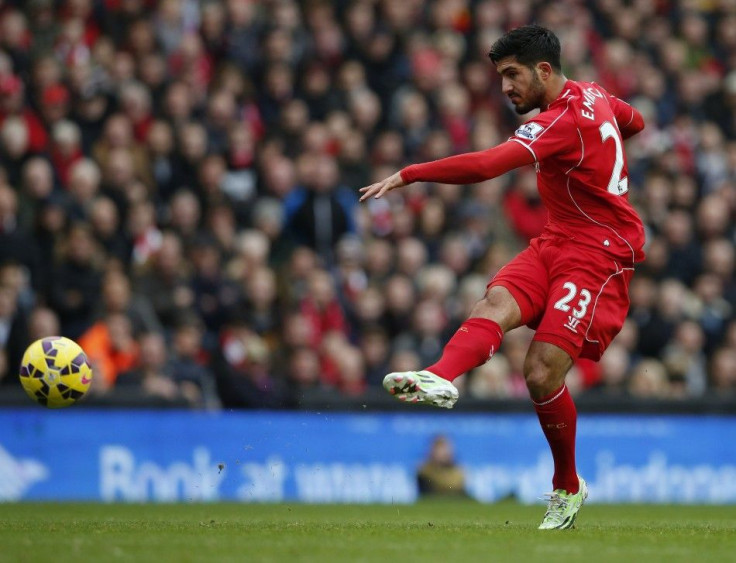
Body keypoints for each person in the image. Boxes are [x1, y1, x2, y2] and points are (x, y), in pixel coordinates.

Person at [360, 25, 645, 530]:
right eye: (500, 76)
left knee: (540, 372)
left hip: (598, 253)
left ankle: (567, 486)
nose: (505, 87)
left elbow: (490, 164)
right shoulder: (595, 94)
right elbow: (634, 120)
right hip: (556, 239)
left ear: (542, 70)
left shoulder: (560, 122)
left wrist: (412, 173)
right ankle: (440, 378)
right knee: (494, 301)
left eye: (512, 75)